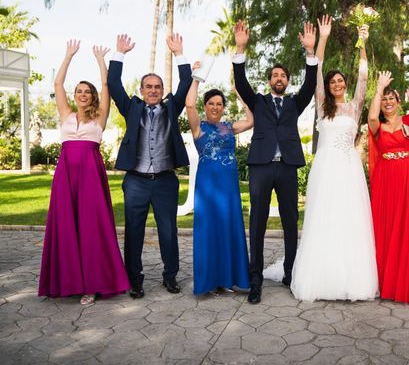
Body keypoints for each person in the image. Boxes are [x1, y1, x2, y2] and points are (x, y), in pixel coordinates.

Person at [290, 16, 378, 302]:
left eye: (341, 80)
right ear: (328, 87)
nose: (337, 84)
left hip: (349, 169)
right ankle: (322, 275)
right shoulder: (322, 106)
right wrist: (322, 39)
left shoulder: (354, 107)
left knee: (350, 219)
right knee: (324, 217)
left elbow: (364, 76)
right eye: (333, 81)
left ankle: (351, 277)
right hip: (326, 167)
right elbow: (316, 71)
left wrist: (362, 42)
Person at [232, 20, 318, 304]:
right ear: (269, 80)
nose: (279, 78)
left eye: (283, 75)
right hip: (261, 166)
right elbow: (241, 83)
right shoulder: (257, 101)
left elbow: (310, 84)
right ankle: (255, 279)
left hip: (288, 167)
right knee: (257, 221)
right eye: (275, 75)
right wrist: (241, 49)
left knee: (290, 220)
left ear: (287, 81)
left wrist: (310, 52)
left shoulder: (295, 103)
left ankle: (290, 273)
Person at [39, 40, 129, 305]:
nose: (82, 94)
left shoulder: (100, 116)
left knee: (92, 228)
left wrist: (101, 60)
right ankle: (67, 281)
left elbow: (106, 86)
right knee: (67, 225)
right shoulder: (65, 113)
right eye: (79, 91)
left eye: (86, 91)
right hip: (66, 177)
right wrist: (67, 55)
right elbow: (57, 86)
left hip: (90, 177)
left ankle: (92, 284)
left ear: (92, 97)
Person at [107, 33, 191, 298]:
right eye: (148, 87)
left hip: (165, 181)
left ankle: (170, 277)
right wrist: (119, 54)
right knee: (134, 232)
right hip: (136, 182)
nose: (153, 90)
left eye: (157, 87)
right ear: (142, 90)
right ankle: (135, 280)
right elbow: (113, 83)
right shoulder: (131, 108)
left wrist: (179, 53)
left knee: (168, 231)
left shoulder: (171, 108)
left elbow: (186, 82)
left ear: (162, 90)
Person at [367, 71, 409, 305]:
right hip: (387, 179)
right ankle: (390, 281)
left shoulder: (407, 121)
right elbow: (372, 117)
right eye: (384, 100)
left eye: (391, 99)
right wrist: (379, 89)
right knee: (389, 226)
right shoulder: (377, 126)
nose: (388, 103)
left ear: (398, 102)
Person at [185, 65, 254, 295]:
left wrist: (240, 95)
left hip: (229, 188)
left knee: (229, 228)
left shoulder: (229, 127)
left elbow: (251, 120)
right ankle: (210, 281)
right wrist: (196, 79)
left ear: (223, 108)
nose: (215, 107)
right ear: (205, 107)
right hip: (207, 187)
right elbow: (189, 104)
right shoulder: (198, 128)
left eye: (219, 104)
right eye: (211, 103)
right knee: (209, 231)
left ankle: (228, 279)